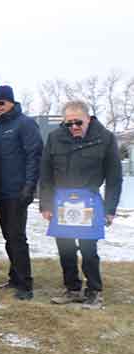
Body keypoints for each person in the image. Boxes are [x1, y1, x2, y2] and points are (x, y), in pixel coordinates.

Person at [41, 101, 123, 309]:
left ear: (89, 119)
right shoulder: (54, 138)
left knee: (88, 249)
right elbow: (46, 174)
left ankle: (94, 291)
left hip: (89, 201)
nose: (74, 127)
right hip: (62, 202)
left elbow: (114, 178)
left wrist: (110, 210)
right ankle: (72, 289)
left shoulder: (104, 138)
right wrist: (46, 204)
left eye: (78, 122)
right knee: (66, 248)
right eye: (69, 123)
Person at [0, 85, 43, 300]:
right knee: (8, 237)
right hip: (1, 192)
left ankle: (25, 284)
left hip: (18, 191)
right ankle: (14, 277)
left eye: (1, 102)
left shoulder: (26, 124)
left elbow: (34, 156)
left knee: (17, 237)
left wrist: (29, 187)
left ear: (11, 102)